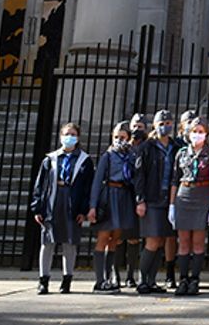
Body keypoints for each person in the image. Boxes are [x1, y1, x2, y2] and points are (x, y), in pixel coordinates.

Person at [31, 122, 94, 295]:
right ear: (60, 136)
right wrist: (38, 208)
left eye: (73, 134)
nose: (69, 137)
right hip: (53, 200)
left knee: (69, 243)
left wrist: (84, 209)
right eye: (66, 134)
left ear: (78, 137)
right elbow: (40, 185)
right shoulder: (50, 159)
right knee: (47, 242)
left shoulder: (85, 161)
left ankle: (67, 281)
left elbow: (88, 187)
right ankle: (43, 280)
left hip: (72, 201)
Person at [169, 118, 209, 297]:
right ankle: (183, 278)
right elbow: (175, 180)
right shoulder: (181, 153)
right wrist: (172, 205)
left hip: (202, 195)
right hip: (184, 195)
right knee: (183, 241)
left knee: (198, 241)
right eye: (194, 131)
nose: (197, 134)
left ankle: (195, 279)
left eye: (201, 131)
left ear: (206, 134)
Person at [87, 122, 137, 294]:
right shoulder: (108, 156)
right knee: (103, 237)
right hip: (109, 196)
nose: (119, 140)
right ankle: (99, 280)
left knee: (115, 239)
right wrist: (92, 206)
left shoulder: (131, 156)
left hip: (124, 196)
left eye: (122, 137)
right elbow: (96, 181)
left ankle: (109, 278)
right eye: (116, 137)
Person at [133, 109, 177, 294]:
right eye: (161, 123)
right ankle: (142, 279)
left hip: (170, 199)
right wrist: (140, 199)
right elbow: (139, 175)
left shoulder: (176, 146)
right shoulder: (147, 147)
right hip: (151, 199)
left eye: (167, 123)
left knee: (160, 241)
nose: (164, 127)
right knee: (152, 240)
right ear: (154, 126)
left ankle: (152, 280)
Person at [115, 113, 147, 289]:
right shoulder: (122, 148)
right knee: (118, 237)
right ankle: (115, 275)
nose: (136, 130)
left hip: (137, 194)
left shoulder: (147, 146)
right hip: (122, 194)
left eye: (140, 126)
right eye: (134, 126)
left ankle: (130, 275)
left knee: (134, 238)